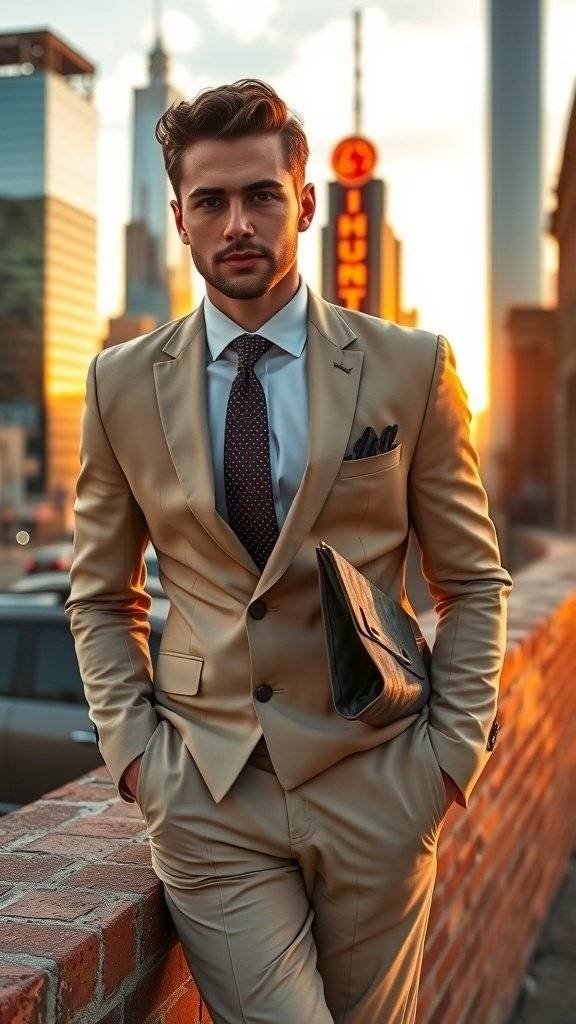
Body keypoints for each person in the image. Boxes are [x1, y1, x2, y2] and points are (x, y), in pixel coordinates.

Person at [65, 78, 513, 1024]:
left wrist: (444, 765)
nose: (238, 222)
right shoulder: (119, 385)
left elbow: (471, 582)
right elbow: (103, 599)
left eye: (261, 195)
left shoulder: (410, 366)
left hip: (379, 779)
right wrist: (142, 764)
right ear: (180, 219)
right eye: (211, 201)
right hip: (209, 791)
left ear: (304, 202)